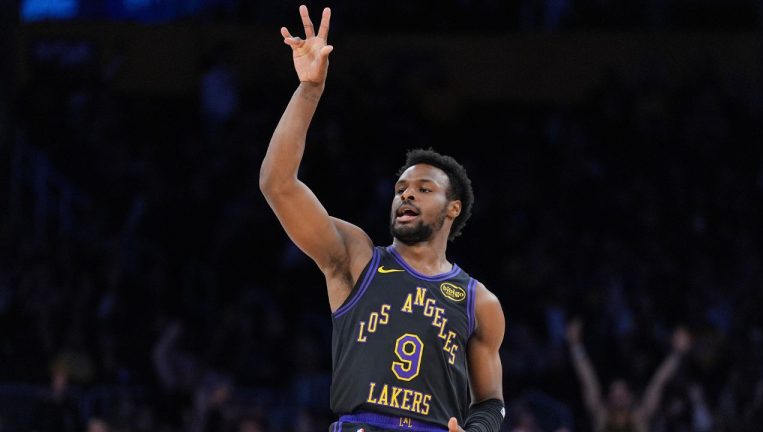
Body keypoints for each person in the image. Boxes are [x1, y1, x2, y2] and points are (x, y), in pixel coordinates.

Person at [259, 5, 505, 432]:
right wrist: (309, 90)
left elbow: (490, 404)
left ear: (453, 208)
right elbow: (277, 184)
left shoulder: (478, 301)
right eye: (401, 189)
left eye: (424, 189)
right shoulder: (356, 258)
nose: (406, 193)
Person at [565, 319, 692, 432]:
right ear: (608, 398)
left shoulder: (640, 417)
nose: (619, 397)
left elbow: (659, 381)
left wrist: (677, 355)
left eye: (622, 394)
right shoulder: (602, 417)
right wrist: (576, 347)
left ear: (630, 397)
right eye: (615, 394)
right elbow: (588, 381)